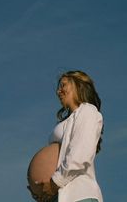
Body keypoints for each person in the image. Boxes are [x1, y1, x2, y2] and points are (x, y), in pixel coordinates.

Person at [29, 70, 104, 202]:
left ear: (79, 85)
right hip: (57, 196)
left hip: (78, 194)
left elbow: (80, 154)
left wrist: (54, 183)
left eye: (63, 85)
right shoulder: (67, 121)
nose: (59, 91)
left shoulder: (87, 111)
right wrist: (40, 190)